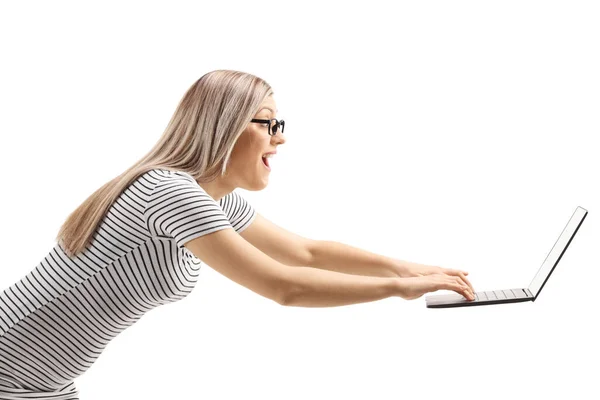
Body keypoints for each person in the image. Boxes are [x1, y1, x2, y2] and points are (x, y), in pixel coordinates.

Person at [0, 69, 475, 399]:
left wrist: (411, 268)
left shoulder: (209, 196)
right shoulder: (168, 191)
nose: (280, 137)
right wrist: (398, 289)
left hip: (40, 381)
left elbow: (303, 252)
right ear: (224, 126)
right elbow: (284, 286)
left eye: (278, 124)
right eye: (267, 122)